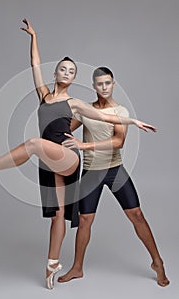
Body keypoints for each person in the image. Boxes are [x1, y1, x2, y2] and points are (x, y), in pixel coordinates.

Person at [0, 20, 156, 290]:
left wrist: (134, 122)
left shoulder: (75, 103)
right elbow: (34, 66)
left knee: (34, 143)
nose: (66, 72)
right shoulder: (43, 95)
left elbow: (100, 115)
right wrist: (34, 37)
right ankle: (52, 263)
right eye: (63, 68)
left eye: (71, 71)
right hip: (49, 163)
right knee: (57, 216)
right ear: (57, 73)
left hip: (68, 157)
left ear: (73, 78)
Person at [58, 67, 169, 287]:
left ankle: (158, 262)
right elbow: (63, 132)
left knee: (137, 215)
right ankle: (77, 267)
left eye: (107, 83)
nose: (104, 87)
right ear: (94, 86)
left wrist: (84, 145)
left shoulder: (121, 112)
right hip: (91, 172)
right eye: (100, 84)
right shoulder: (85, 110)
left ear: (113, 84)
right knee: (85, 221)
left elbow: (118, 142)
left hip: (114, 170)